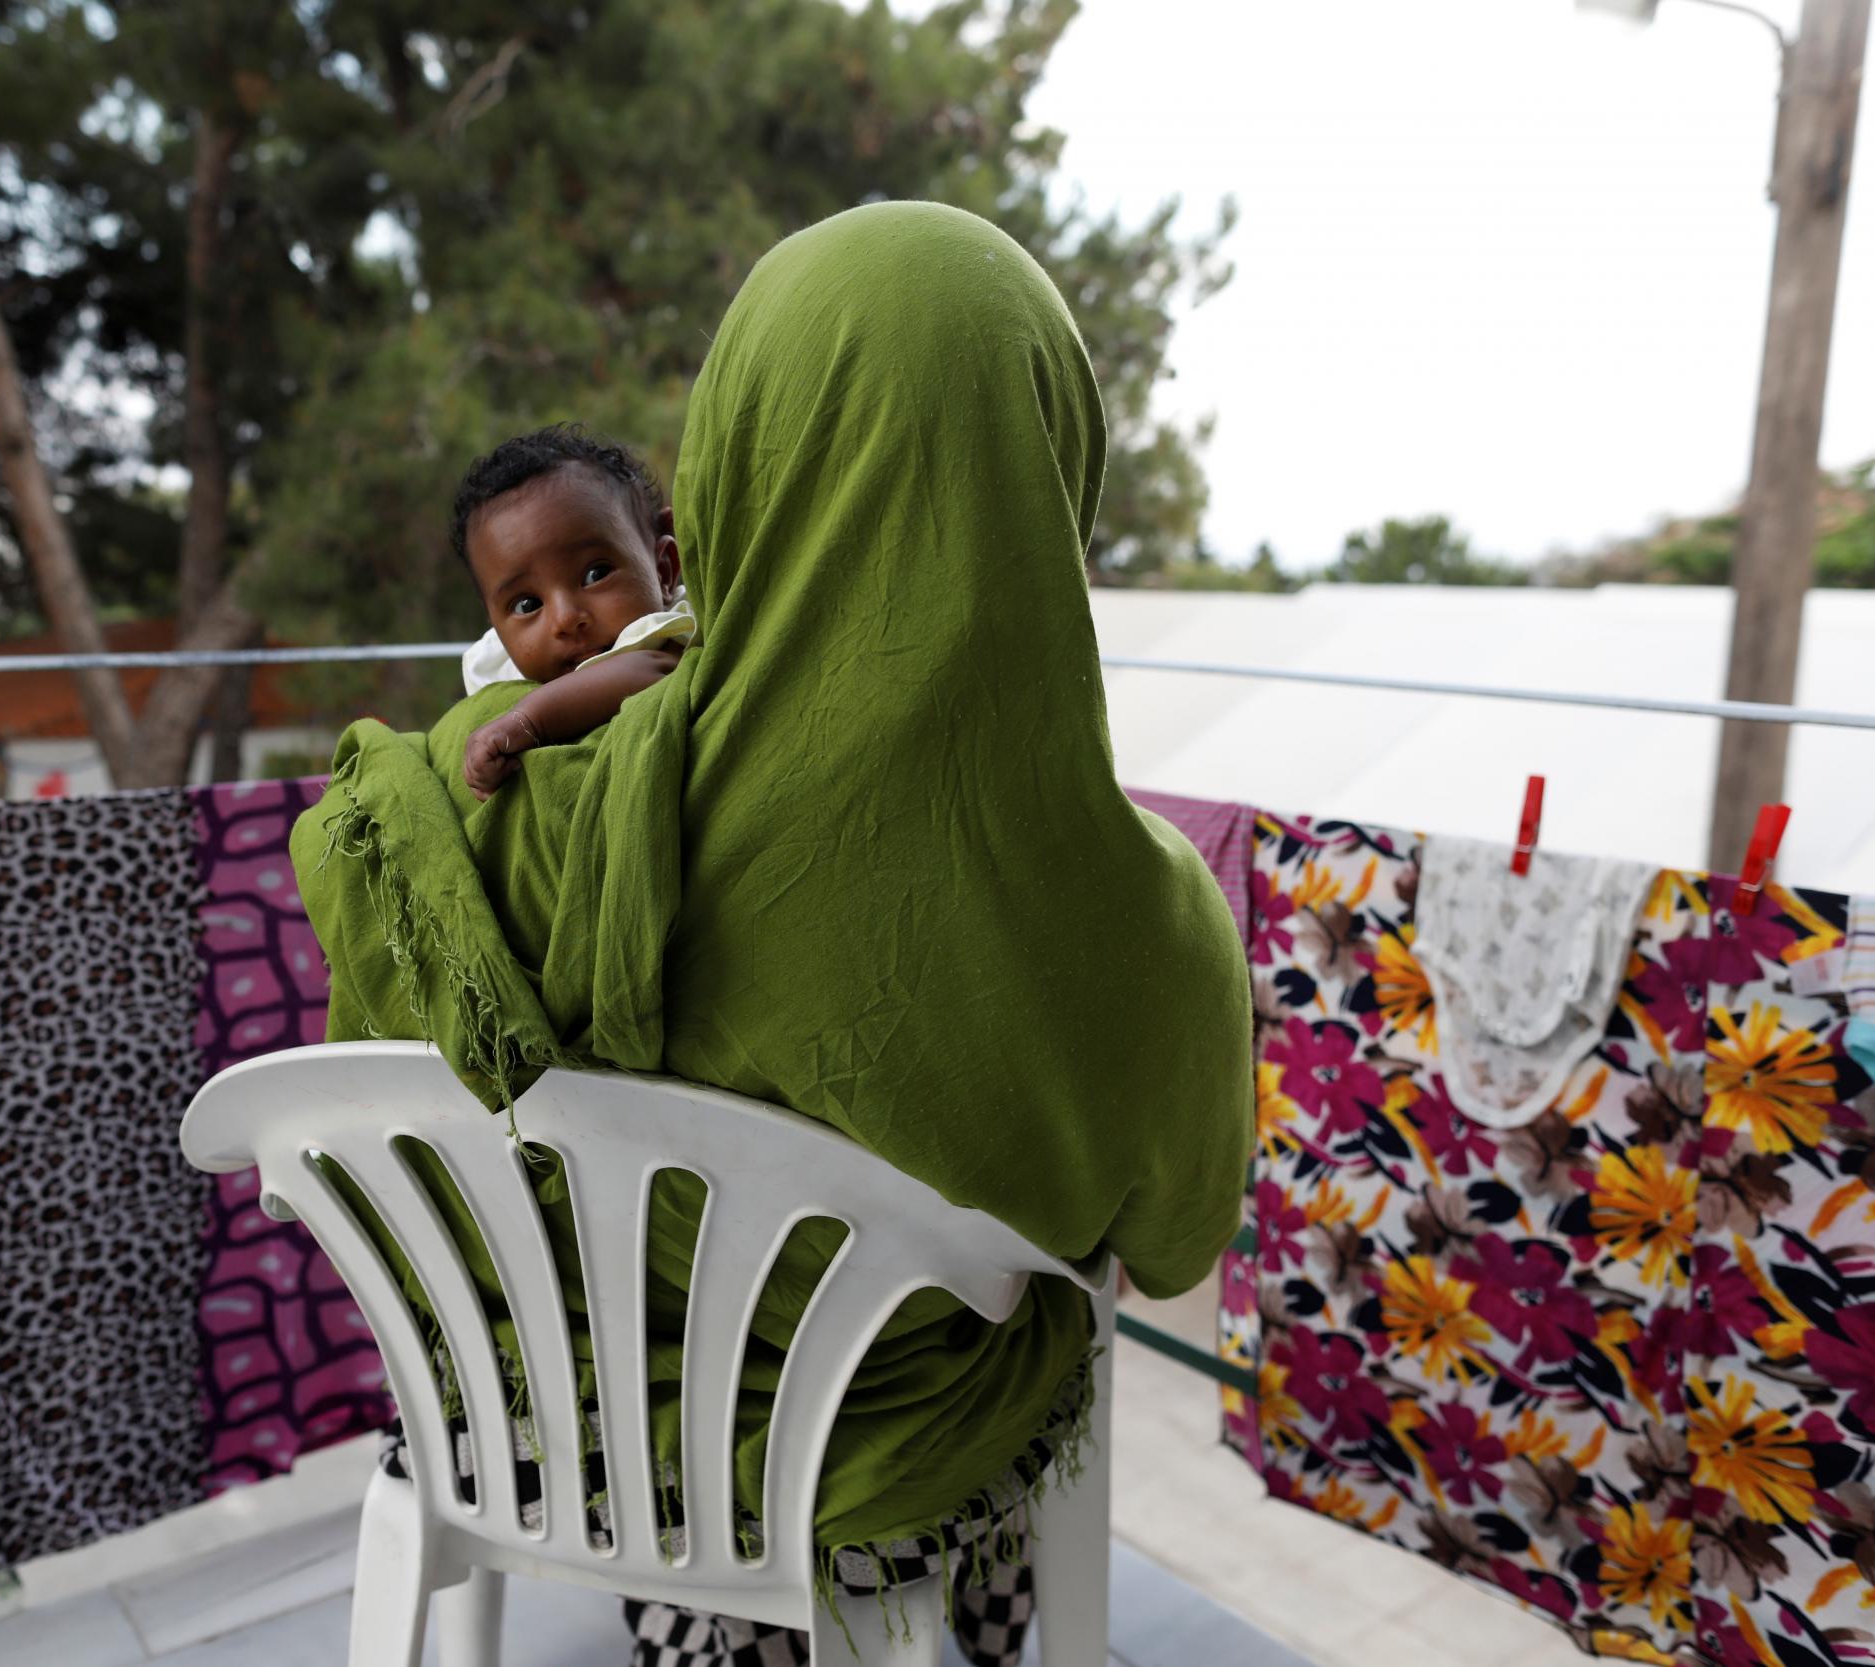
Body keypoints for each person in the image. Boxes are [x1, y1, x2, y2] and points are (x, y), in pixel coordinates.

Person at [297, 201, 1253, 1666]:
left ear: (735, 460)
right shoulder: (1156, 921)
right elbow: (1175, 1245)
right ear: (1053, 461)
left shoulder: (507, 795)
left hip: (565, 1408)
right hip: (894, 1456)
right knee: (1040, 1326)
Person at [449, 427, 695, 801]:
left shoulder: (668, 630)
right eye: (527, 605)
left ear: (663, 570)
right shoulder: (494, 666)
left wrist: (529, 720)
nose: (565, 618)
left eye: (595, 574)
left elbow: (653, 671)